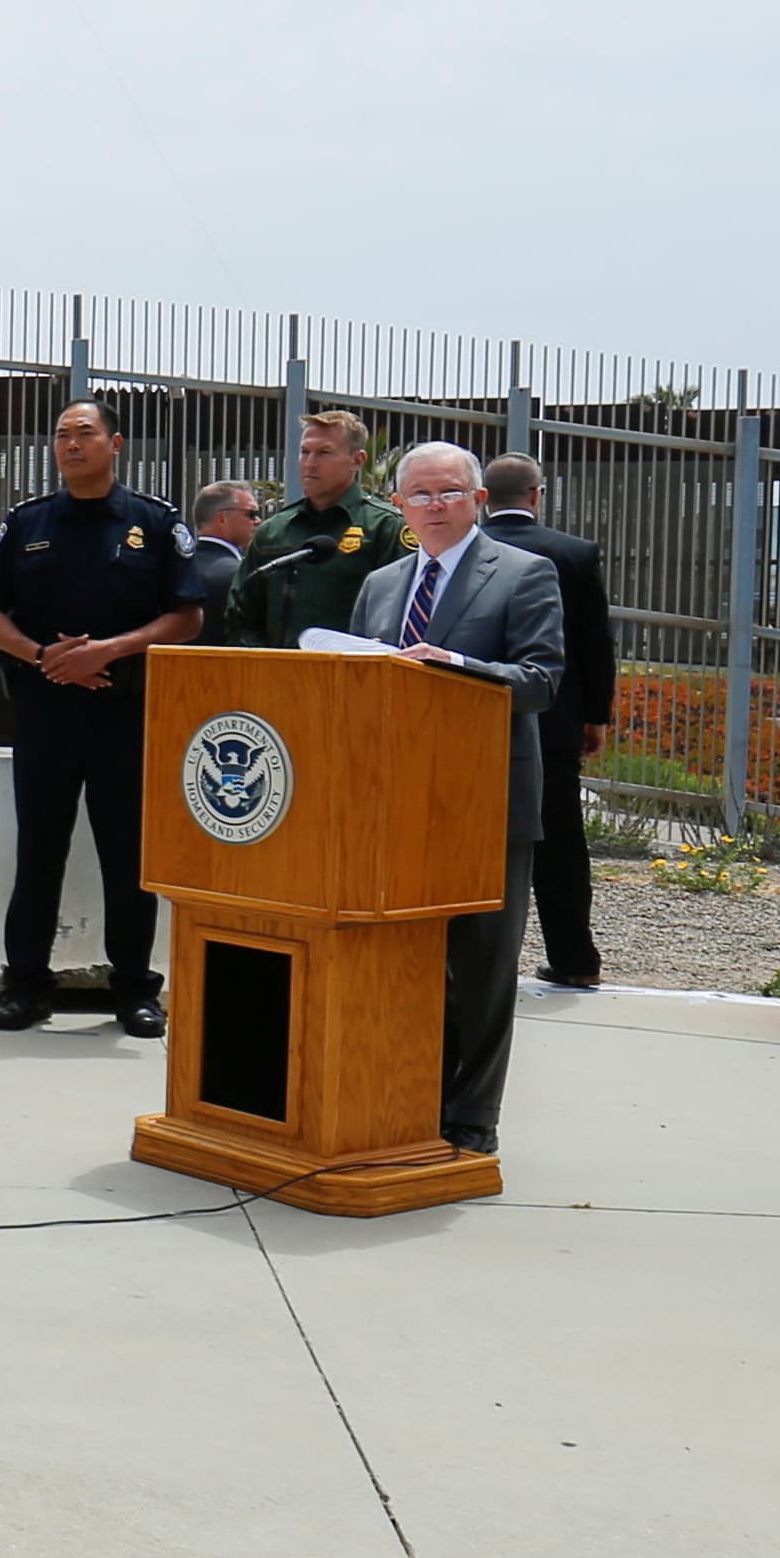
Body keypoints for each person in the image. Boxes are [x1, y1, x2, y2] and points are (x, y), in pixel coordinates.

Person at [0, 398, 207, 1035]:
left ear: (115, 443)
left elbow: (187, 617)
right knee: (39, 851)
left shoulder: (154, 523)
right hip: (46, 711)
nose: (72, 444)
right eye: (63, 435)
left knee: (127, 857)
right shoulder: (28, 522)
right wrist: (45, 657)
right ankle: (25, 986)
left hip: (124, 713)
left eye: (86, 434)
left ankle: (133, 990)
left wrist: (110, 650)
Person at [349, 443, 564, 1155]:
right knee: (408, 962)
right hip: (396, 801)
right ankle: (410, 1099)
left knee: (481, 968)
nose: (434, 506)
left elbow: (539, 681)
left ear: (476, 500)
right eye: (419, 494)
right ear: (400, 507)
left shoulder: (526, 573)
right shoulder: (380, 584)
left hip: (485, 799)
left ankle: (472, 1120)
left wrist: (458, 667)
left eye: (448, 493)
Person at [481, 454, 617, 989]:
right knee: (559, 840)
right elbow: (594, 642)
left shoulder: (465, 551)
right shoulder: (574, 554)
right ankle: (574, 959)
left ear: (483, 498)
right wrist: (595, 716)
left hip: (476, 712)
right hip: (552, 718)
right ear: (537, 495)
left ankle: (480, 963)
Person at [220, 410, 408, 646]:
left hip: (352, 674)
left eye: (324, 453)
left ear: (357, 460)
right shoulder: (274, 530)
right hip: (275, 674)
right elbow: (241, 612)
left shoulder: (385, 527)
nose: (310, 463)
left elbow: (400, 615)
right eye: (305, 452)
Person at [187, 480, 261, 605]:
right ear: (222, 518)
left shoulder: (176, 569)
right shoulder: (241, 575)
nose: (258, 520)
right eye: (251, 514)